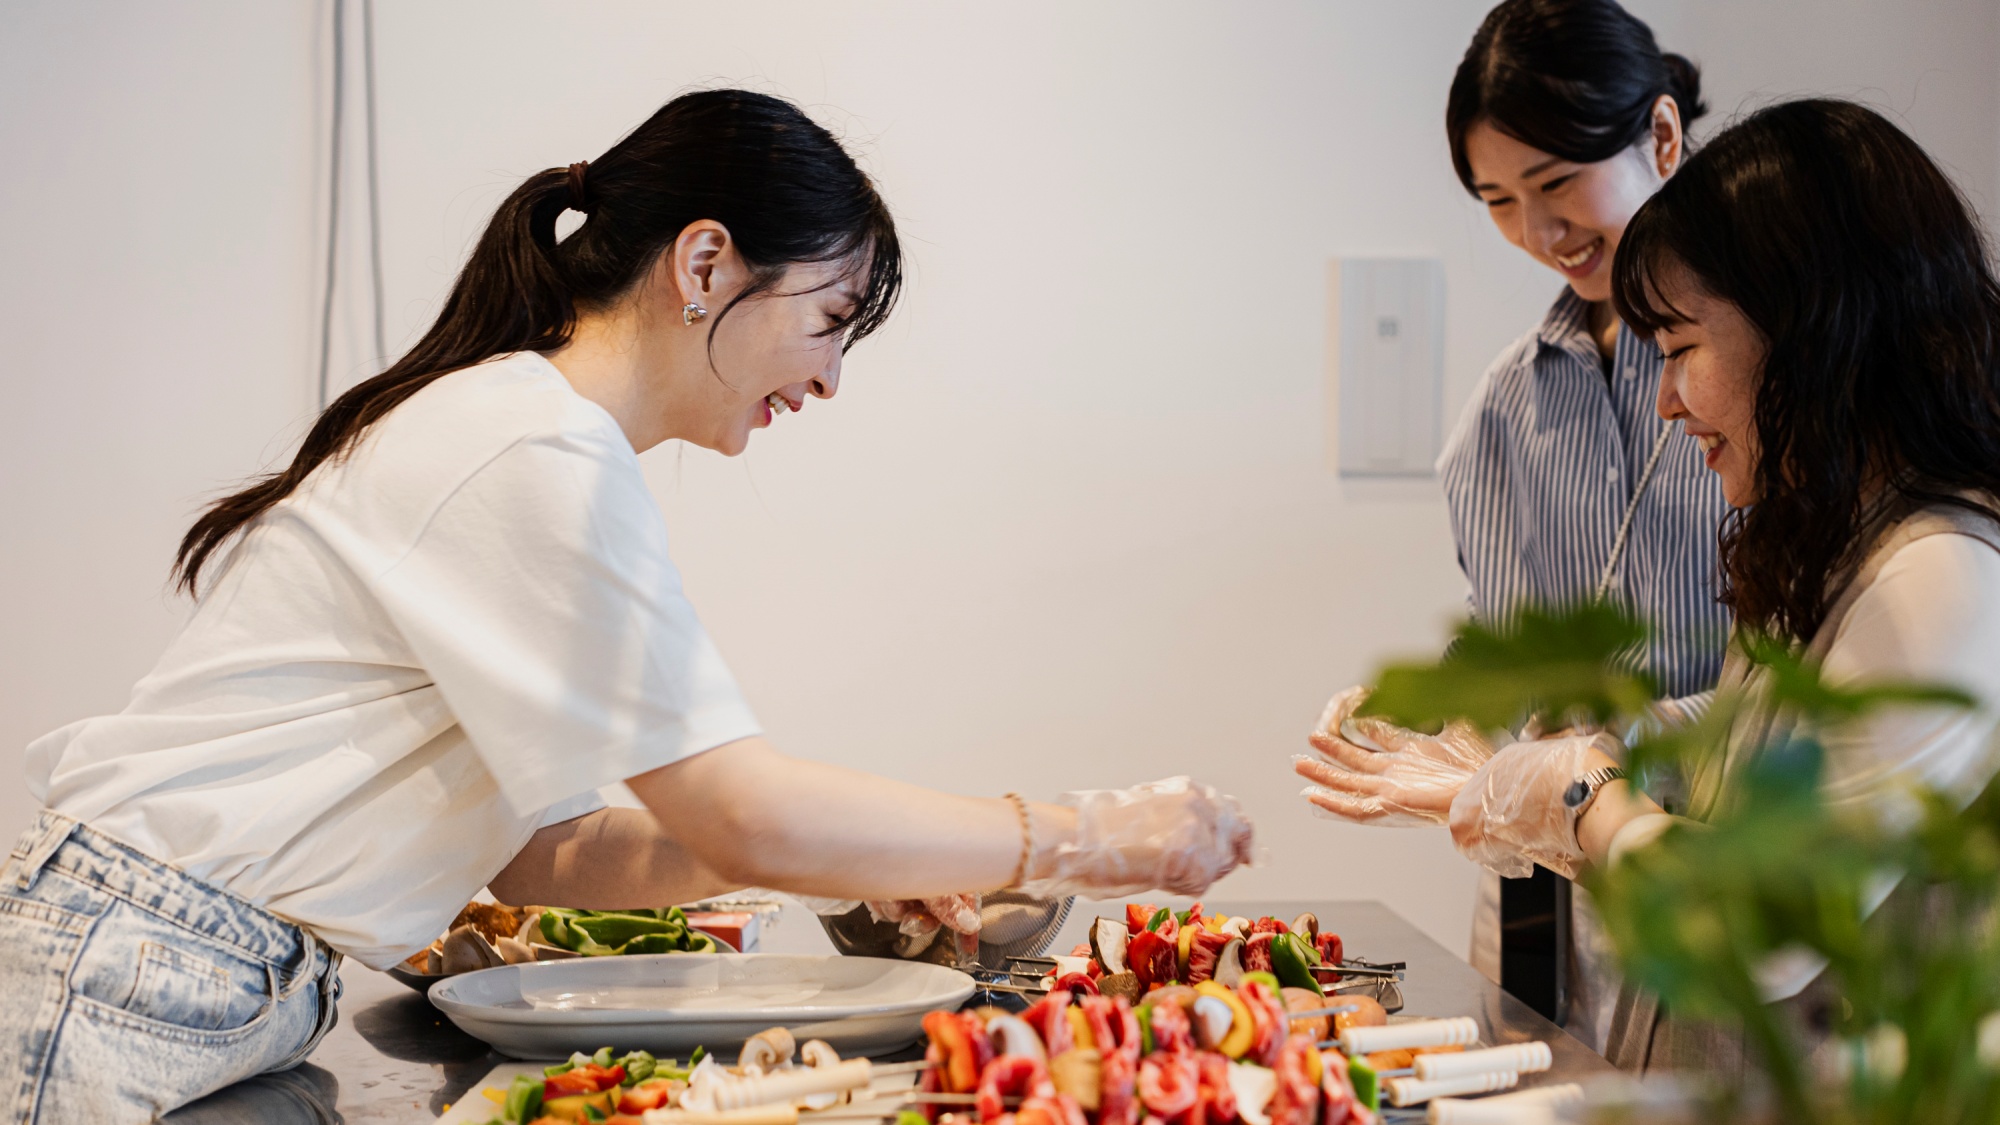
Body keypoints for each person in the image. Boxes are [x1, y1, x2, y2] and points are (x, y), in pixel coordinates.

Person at [2, 90, 1253, 1122]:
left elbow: (540, 852)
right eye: (827, 322)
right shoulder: (530, 448)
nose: (825, 378)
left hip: (183, 971)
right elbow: (743, 810)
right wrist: (1086, 832)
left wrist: (848, 865)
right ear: (705, 263)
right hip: (136, 963)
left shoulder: (525, 432)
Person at [1301, 98, 2000, 1074]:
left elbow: (1755, 927)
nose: (1665, 400)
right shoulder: (1847, 545)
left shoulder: (1938, 577)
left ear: (1807, 332)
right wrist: (1545, 766)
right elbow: (1772, 757)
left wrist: (1581, 792)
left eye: (1677, 351)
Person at [1300, 0, 1728, 1049]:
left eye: (1552, 184)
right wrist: (1448, 723)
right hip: (1551, 913)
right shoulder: (1502, 409)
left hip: (1733, 891)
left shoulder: (1777, 379)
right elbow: (1517, 663)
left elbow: (1818, 673)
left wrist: (1588, 769)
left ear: (1660, 139)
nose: (1537, 234)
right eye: (1496, 199)